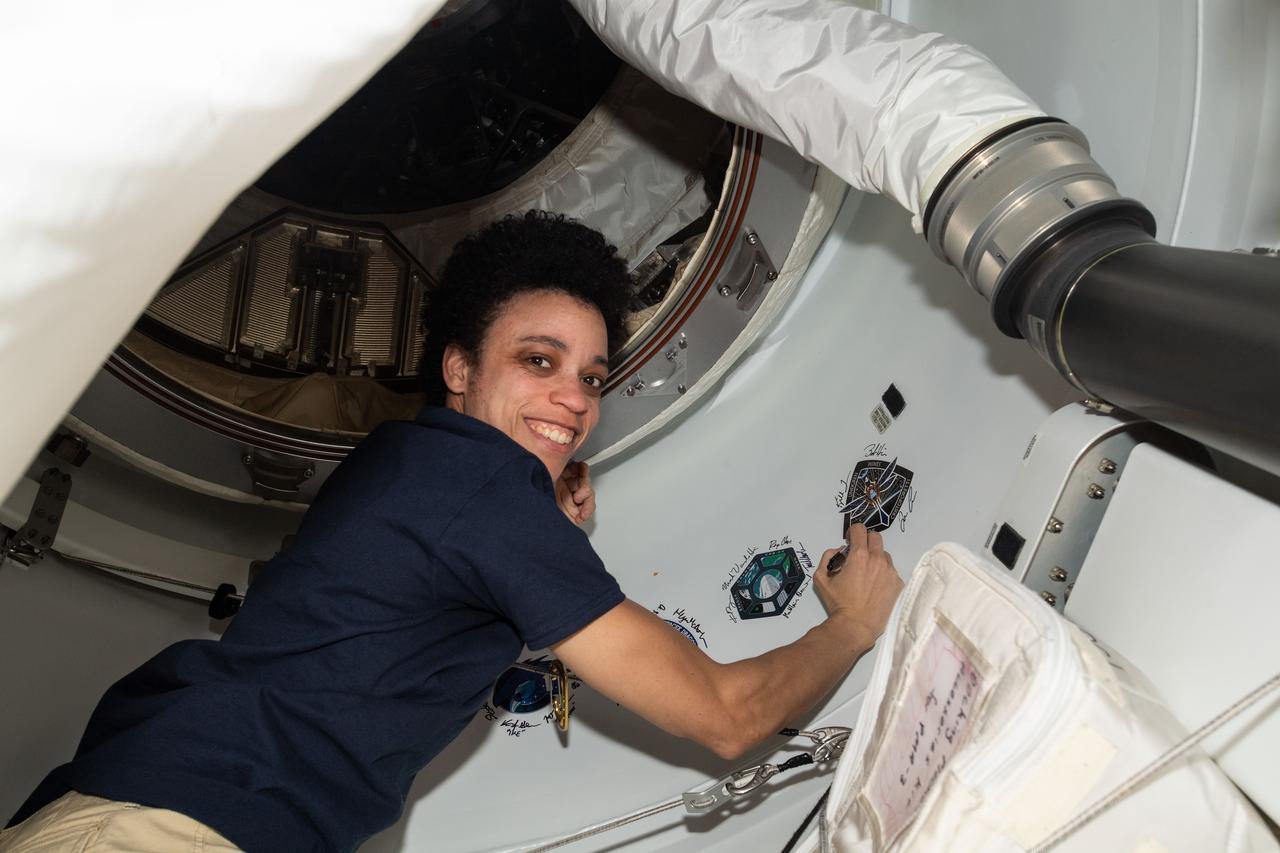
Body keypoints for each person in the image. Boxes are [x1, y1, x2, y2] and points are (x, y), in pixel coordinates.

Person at [1, 211, 903, 853]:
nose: (573, 400)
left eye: (592, 377)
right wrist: (854, 625)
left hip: (141, 806)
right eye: (539, 360)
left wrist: (543, 532)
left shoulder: (411, 465)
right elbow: (726, 713)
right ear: (460, 368)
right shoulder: (480, 488)